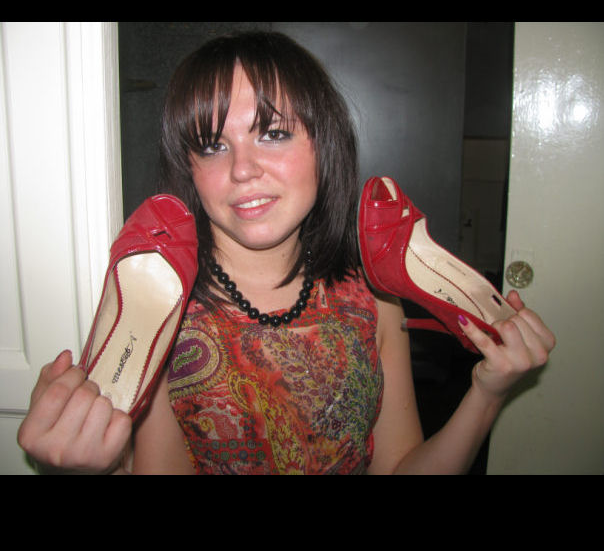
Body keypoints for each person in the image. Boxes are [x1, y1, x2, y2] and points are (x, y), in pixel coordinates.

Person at [17, 31, 555, 474]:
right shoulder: (160, 314)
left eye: (273, 133)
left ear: (324, 144)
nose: (242, 169)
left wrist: (487, 394)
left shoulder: (372, 298)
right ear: (188, 169)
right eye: (212, 145)